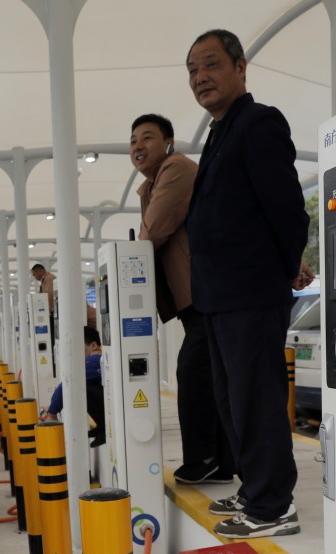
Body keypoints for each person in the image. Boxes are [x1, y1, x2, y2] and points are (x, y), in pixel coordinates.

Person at [184, 29, 314, 539]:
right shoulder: (220, 132)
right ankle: (252, 485)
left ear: (241, 67)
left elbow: (285, 207)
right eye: (193, 70)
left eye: (211, 65)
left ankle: (272, 505)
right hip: (218, 296)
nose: (200, 78)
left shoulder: (259, 123)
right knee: (232, 399)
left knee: (256, 397)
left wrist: (286, 267)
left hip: (250, 291)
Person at [130, 113, 233, 485]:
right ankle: (220, 461)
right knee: (208, 373)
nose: (138, 147)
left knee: (193, 372)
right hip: (197, 296)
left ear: (169, 142)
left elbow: (152, 232)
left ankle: (204, 458)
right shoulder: (154, 183)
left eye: (147, 138)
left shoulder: (176, 169)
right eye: (133, 141)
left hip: (207, 291)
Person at [40, 325, 105, 446]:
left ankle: (104, 428)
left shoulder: (95, 361)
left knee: (79, 386)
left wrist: (52, 412)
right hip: (107, 402)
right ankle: (102, 426)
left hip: (110, 405)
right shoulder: (98, 360)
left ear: (93, 345)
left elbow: (68, 382)